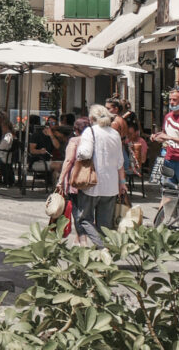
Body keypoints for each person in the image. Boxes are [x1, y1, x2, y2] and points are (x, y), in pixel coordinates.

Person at [76, 104, 127, 248]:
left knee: (84, 219)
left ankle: (101, 248)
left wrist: (77, 153)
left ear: (91, 118)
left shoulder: (90, 131)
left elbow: (85, 153)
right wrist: (122, 182)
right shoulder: (114, 134)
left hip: (92, 183)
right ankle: (105, 255)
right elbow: (120, 162)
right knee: (105, 225)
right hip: (111, 185)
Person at [151, 88, 179, 186]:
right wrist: (157, 136)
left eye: (174, 100)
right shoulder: (168, 116)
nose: (171, 102)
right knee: (168, 192)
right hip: (169, 159)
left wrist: (170, 138)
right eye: (170, 99)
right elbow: (164, 136)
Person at [59, 116, 91, 246]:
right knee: (86, 211)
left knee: (77, 211)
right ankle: (79, 238)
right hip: (91, 179)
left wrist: (61, 179)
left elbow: (68, 161)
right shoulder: (93, 140)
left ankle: (82, 240)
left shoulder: (74, 140)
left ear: (76, 130)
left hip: (76, 178)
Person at [29, 117, 62, 186]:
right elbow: (31, 150)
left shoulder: (53, 136)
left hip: (50, 160)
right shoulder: (37, 135)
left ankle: (55, 187)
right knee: (58, 166)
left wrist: (51, 136)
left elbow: (58, 146)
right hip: (38, 161)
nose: (50, 125)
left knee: (61, 167)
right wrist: (40, 151)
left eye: (53, 123)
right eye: (49, 123)